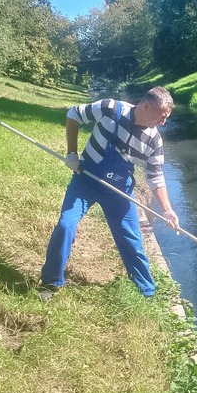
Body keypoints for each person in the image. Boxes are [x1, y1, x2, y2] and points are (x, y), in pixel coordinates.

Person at [38, 86, 179, 302]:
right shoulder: (110, 108)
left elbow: (156, 177)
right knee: (66, 225)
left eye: (166, 118)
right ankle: (50, 281)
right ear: (147, 105)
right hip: (86, 179)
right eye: (161, 117)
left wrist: (168, 211)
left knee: (131, 240)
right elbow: (73, 115)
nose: (163, 123)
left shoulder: (154, 141)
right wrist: (72, 153)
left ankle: (147, 292)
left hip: (118, 191)